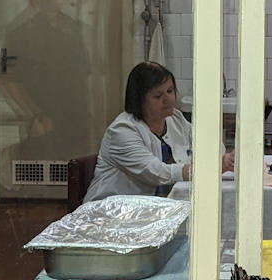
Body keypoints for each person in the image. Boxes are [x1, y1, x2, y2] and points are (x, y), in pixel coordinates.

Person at [85, 61, 235, 202]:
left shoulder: (175, 118)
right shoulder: (122, 131)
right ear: (139, 100)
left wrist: (224, 159)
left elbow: (207, 144)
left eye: (170, 91)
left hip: (155, 209)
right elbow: (156, 172)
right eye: (158, 96)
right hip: (111, 210)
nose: (168, 99)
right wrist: (211, 167)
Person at [0, 0, 92, 162]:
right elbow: (7, 79)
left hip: (76, 122)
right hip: (44, 125)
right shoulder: (19, 31)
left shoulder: (73, 27)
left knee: (77, 178)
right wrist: (36, 116)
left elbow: (85, 74)